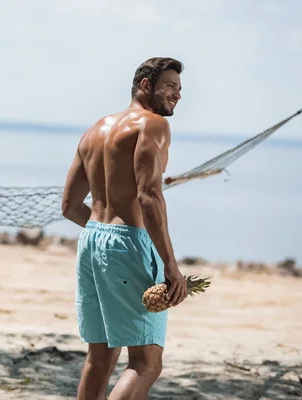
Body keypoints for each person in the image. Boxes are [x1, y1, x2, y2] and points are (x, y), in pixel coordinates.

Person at [61, 57, 188, 400]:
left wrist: (104, 230)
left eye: (179, 88)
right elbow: (149, 196)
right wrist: (170, 267)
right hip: (128, 244)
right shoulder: (153, 125)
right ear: (145, 85)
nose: (177, 94)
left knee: (100, 356)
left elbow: (69, 207)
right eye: (169, 86)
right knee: (146, 361)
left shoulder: (94, 131)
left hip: (91, 239)